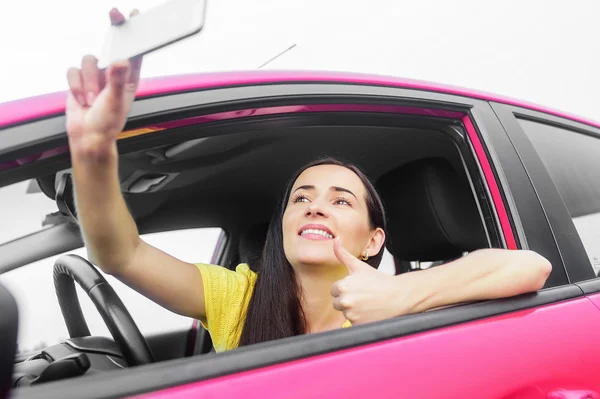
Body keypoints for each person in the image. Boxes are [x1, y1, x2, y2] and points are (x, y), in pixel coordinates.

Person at [64, 9, 552, 353]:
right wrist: (93, 154)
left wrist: (404, 294)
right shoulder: (237, 299)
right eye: (302, 197)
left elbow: (528, 267)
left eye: (341, 201)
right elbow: (119, 254)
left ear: (372, 239)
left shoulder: (402, 301)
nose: (316, 207)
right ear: (284, 224)